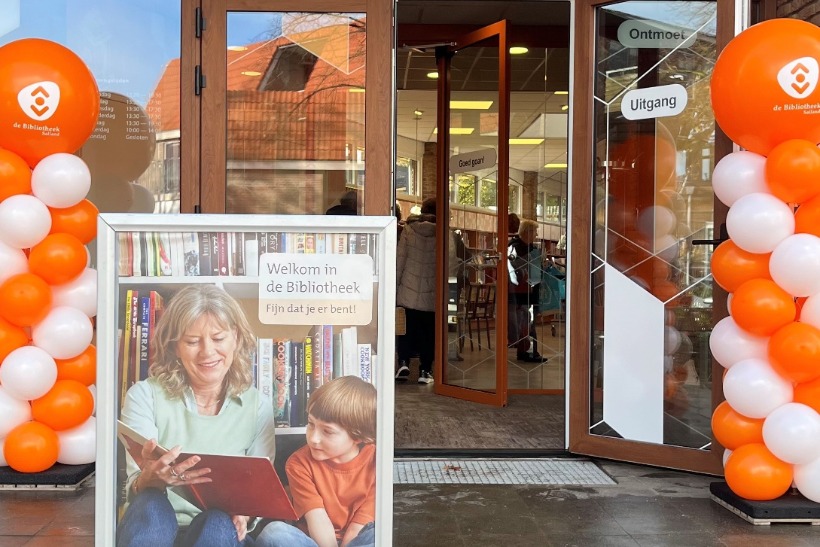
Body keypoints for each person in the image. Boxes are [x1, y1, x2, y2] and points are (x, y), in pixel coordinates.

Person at [117, 284, 276, 547]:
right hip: (153, 529)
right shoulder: (144, 395)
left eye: (218, 338)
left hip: (220, 534)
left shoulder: (258, 406)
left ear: (235, 338)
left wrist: (243, 513)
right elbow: (137, 488)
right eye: (192, 341)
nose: (207, 352)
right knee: (152, 503)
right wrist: (151, 477)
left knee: (217, 520)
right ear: (175, 347)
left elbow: (257, 494)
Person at [255, 376, 377, 547]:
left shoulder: (377, 461)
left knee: (376, 535)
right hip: (314, 540)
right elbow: (317, 519)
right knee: (274, 533)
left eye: (328, 431)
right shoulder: (298, 463)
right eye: (311, 424)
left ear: (358, 436)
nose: (313, 438)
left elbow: (360, 524)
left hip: (357, 539)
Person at [394, 197, 439, 384]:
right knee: (429, 333)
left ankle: (403, 362)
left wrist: (394, 287)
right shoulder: (443, 232)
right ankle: (425, 370)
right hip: (432, 293)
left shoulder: (409, 230)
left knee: (405, 328)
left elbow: (400, 260)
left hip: (408, 290)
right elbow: (450, 263)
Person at [508, 219, 548, 363]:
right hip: (521, 290)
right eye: (535, 231)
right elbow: (513, 266)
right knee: (525, 321)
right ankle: (527, 352)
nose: (536, 235)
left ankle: (528, 351)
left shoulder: (531, 248)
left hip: (531, 289)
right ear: (528, 232)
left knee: (528, 321)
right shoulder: (515, 247)